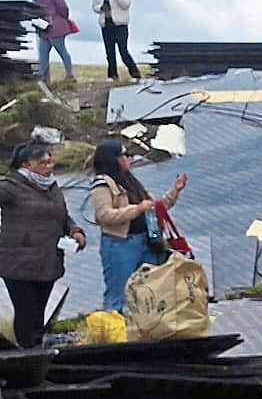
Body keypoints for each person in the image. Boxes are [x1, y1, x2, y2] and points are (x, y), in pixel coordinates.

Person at [0, 143, 86, 348]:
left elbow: (62, 216)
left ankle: (37, 348)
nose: (49, 166)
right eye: (43, 163)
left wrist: (74, 230)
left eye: (50, 161)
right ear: (26, 165)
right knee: (26, 311)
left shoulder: (52, 186)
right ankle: (26, 351)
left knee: (39, 312)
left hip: (48, 262)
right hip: (18, 264)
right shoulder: (11, 186)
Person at [89, 139, 185, 312]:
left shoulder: (131, 181)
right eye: (124, 155)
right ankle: (115, 324)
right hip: (120, 244)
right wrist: (137, 209)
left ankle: (147, 323)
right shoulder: (102, 184)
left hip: (146, 241)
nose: (129, 159)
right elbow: (104, 216)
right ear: (113, 159)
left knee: (149, 289)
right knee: (120, 293)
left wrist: (175, 191)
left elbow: (156, 207)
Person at [91, 0, 140, 80]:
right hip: (106, 23)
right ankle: (112, 75)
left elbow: (125, 4)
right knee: (110, 52)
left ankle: (135, 73)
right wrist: (101, 8)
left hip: (120, 24)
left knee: (123, 50)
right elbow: (94, 6)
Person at [32, 0, 74, 80]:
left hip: (55, 24)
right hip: (43, 26)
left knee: (61, 49)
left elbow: (61, 5)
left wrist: (61, 17)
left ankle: (70, 74)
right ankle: (41, 75)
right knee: (43, 52)